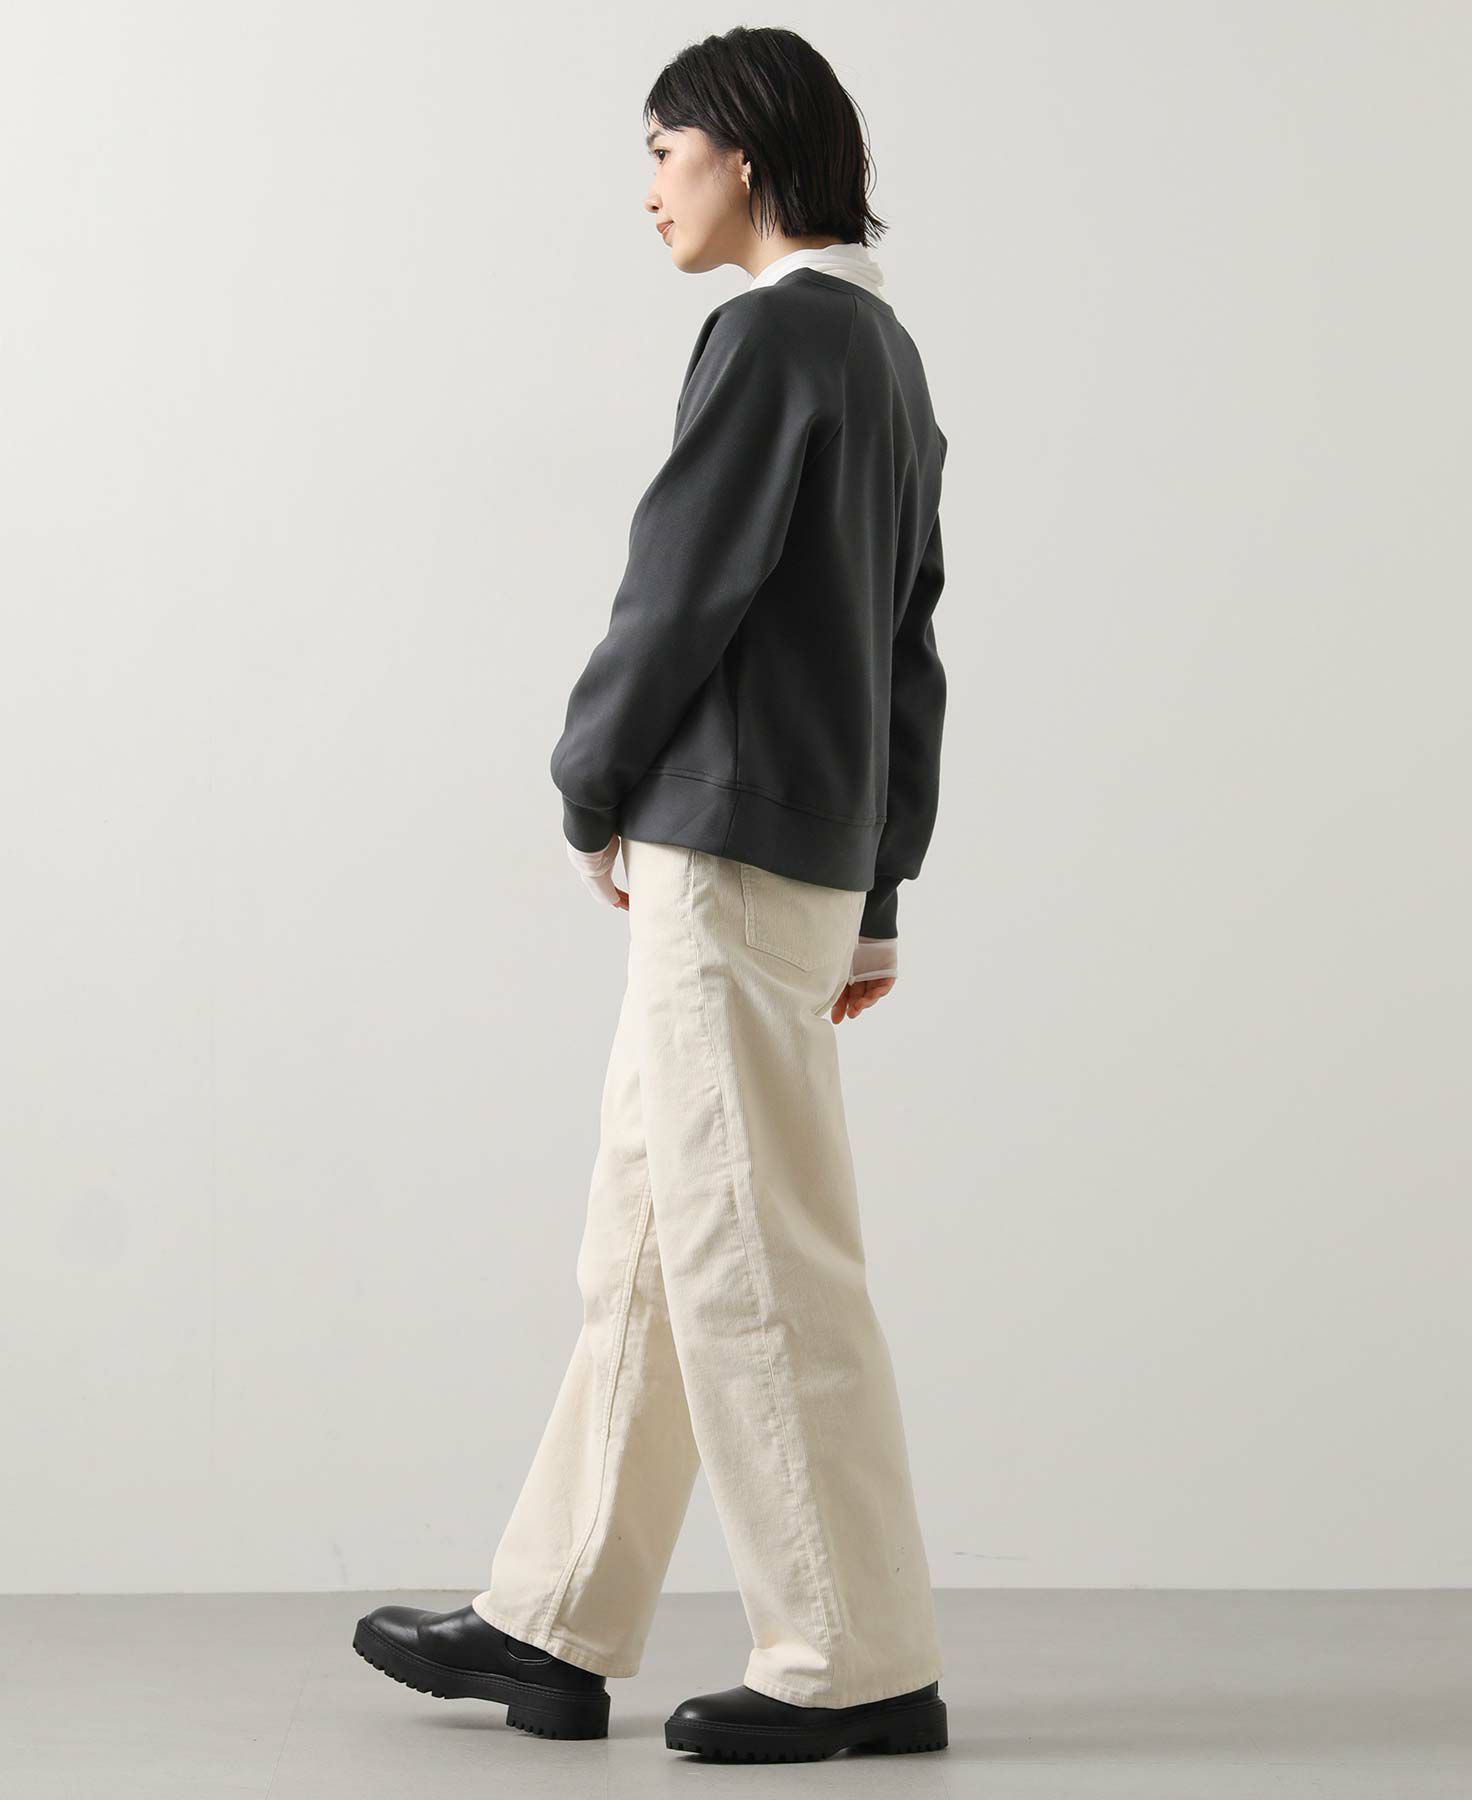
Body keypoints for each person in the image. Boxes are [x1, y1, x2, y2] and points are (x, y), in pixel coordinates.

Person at [354, 25, 950, 1764]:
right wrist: (881, 891)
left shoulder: (771, 335)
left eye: (664, 154)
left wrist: (589, 779)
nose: (650, 192)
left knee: (750, 1250)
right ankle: (553, 1621)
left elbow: (679, 586)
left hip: (726, 850)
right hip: (805, 854)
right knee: (650, 1238)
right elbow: (905, 650)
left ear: (742, 157)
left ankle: (853, 1658)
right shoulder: (887, 353)